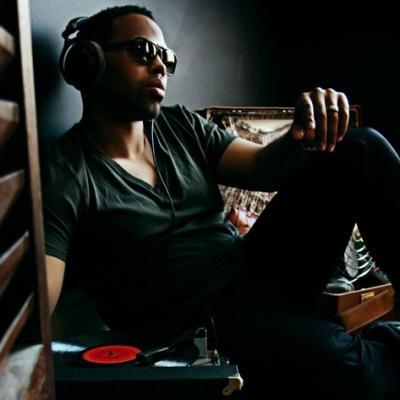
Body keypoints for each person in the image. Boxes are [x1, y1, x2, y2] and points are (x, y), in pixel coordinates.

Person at [43, 5, 400, 399]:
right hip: (199, 329)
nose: (160, 66)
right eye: (143, 51)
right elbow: (38, 300)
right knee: (345, 364)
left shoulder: (181, 124)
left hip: (252, 270)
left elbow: (263, 167)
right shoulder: (65, 172)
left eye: (166, 58)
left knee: (364, 148)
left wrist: (301, 133)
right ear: (89, 62)